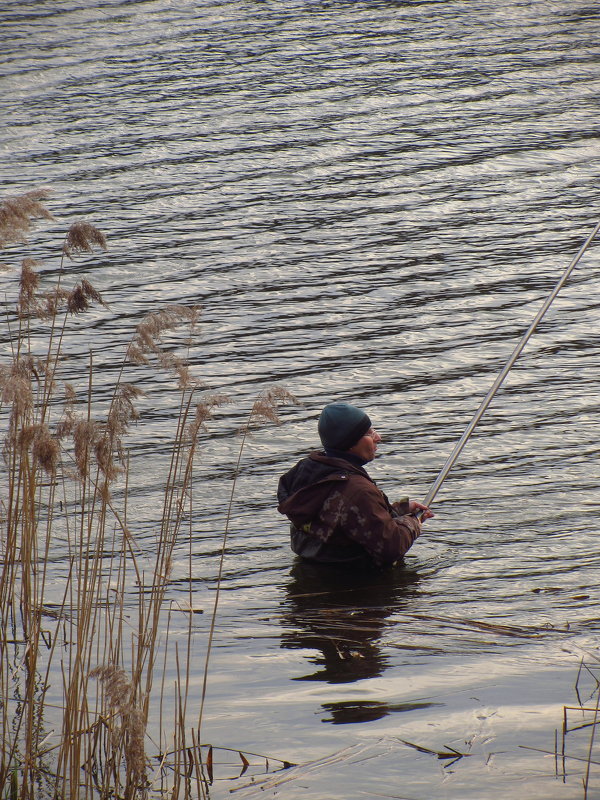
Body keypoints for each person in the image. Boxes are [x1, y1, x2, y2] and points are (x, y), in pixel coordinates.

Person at [277, 402, 433, 569]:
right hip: (356, 581)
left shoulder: (306, 473)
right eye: (368, 433)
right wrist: (412, 522)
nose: (378, 437)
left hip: (312, 573)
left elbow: (343, 518)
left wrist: (398, 510)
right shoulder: (358, 490)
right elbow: (391, 547)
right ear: (350, 442)